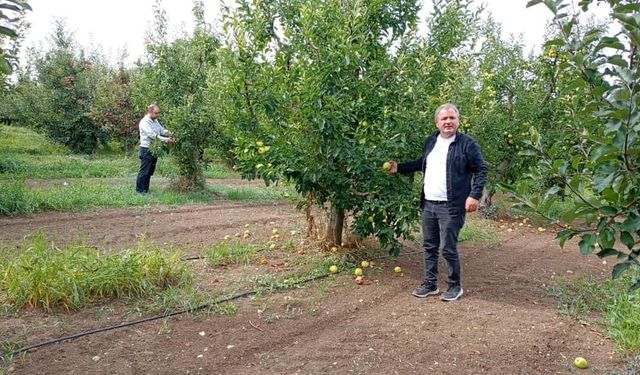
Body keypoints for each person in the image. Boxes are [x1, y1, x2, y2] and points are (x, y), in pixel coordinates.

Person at [386, 103, 487, 301]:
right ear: (437, 122)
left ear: (458, 121)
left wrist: (474, 195)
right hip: (429, 203)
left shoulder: (468, 144)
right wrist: (400, 168)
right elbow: (422, 163)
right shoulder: (431, 141)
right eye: (444, 119)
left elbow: (481, 170)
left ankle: (454, 286)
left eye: (452, 118)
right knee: (429, 246)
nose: (448, 122)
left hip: (452, 205)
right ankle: (430, 284)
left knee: (447, 247)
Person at [136, 104, 174, 194]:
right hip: (146, 149)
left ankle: (146, 190)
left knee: (149, 171)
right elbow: (152, 135)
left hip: (154, 149)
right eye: (156, 113)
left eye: (158, 113)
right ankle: (140, 191)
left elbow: (161, 130)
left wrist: (171, 133)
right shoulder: (144, 122)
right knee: (144, 171)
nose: (158, 115)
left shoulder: (155, 121)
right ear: (150, 112)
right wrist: (167, 140)